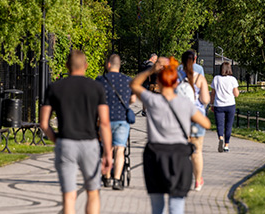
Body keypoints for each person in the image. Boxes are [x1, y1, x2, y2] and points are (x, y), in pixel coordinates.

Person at [132, 57, 213, 214]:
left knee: (157, 207)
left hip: (154, 156)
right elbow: (206, 124)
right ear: (176, 83)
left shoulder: (152, 101)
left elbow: (134, 84)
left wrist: (151, 70)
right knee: (176, 206)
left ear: (159, 83)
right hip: (179, 156)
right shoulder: (185, 104)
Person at [41, 49, 113, 214]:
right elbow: (104, 123)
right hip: (90, 144)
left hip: (66, 143)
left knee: (69, 195)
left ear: (67, 66)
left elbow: (44, 123)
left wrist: (57, 140)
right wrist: (108, 152)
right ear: (86, 66)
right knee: (93, 191)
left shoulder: (54, 88)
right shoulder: (96, 88)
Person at [93, 54, 137, 190]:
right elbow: (133, 100)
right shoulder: (127, 80)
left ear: (108, 65)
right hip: (122, 119)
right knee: (120, 150)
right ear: (119, 65)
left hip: (105, 119)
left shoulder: (100, 80)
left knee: (107, 149)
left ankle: (106, 177)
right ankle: (117, 180)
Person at [175, 50, 210, 190]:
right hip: (196, 118)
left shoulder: (176, 77)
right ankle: (197, 181)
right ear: (195, 60)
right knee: (197, 151)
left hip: (179, 118)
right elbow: (205, 99)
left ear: (182, 61)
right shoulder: (199, 78)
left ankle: (179, 179)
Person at [209, 62, 240, 152]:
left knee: (220, 124)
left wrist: (211, 104)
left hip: (219, 105)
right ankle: (226, 145)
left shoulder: (216, 79)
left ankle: (220, 138)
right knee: (228, 125)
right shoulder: (233, 79)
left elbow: (213, 93)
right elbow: (236, 94)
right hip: (230, 105)